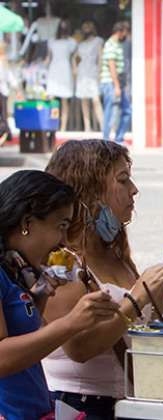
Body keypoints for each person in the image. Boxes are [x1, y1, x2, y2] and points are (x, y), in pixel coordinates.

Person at [43, 140, 163, 418]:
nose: (134, 189)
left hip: (128, 401)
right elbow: (79, 347)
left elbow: (137, 326)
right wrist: (138, 296)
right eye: (123, 180)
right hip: (81, 406)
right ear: (90, 192)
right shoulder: (62, 262)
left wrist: (161, 287)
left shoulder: (114, 251)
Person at [0, 170, 119, 419]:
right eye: (61, 226)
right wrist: (71, 323)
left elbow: (23, 336)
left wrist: (41, 295)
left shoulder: (15, 269)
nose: (63, 241)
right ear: (27, 223)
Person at [100, 21, 129, 143]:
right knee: (109, 112)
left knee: (126, 111)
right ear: (120, 32)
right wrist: (117, 86)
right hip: (111, 84)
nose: (126, 35)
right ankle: (106, 140)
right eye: (125, 32)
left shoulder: (116, 44)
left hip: (116, 84)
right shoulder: (111, 44)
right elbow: (112, 66)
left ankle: (118, 138)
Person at [46, 22, 77, 132]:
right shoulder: (52, 41)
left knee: (64, 100)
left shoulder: (71, 42)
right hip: (54, 70)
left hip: (65, 70)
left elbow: (73, 58)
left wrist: (74, 72)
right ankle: (51, 124)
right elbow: (48, 58)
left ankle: (63, 127)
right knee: (52, 99)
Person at [74, 21, 104, 133]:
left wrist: (100, 72)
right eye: (84, 27)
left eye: (88, 27)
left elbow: (101, 57)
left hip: (93, 72)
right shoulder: (81, 44)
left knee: (96, 99)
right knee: (84, 99)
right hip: (82, 72)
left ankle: (103, 125)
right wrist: (75, 68)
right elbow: (75, 57)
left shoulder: (98, 41)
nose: (86, 29)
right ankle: (87, 126)